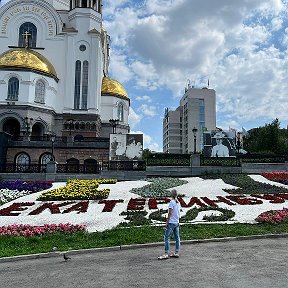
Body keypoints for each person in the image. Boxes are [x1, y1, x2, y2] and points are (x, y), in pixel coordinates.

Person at [158, 189, 181, 260]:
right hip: (177, 222)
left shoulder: (172, 202)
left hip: (171, 222)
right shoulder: (178, 202)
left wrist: (167, 222)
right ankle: (176, 252)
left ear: (171, 194)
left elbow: (170, 213)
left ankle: (166, 254)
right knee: (177, 237)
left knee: (166, 237)